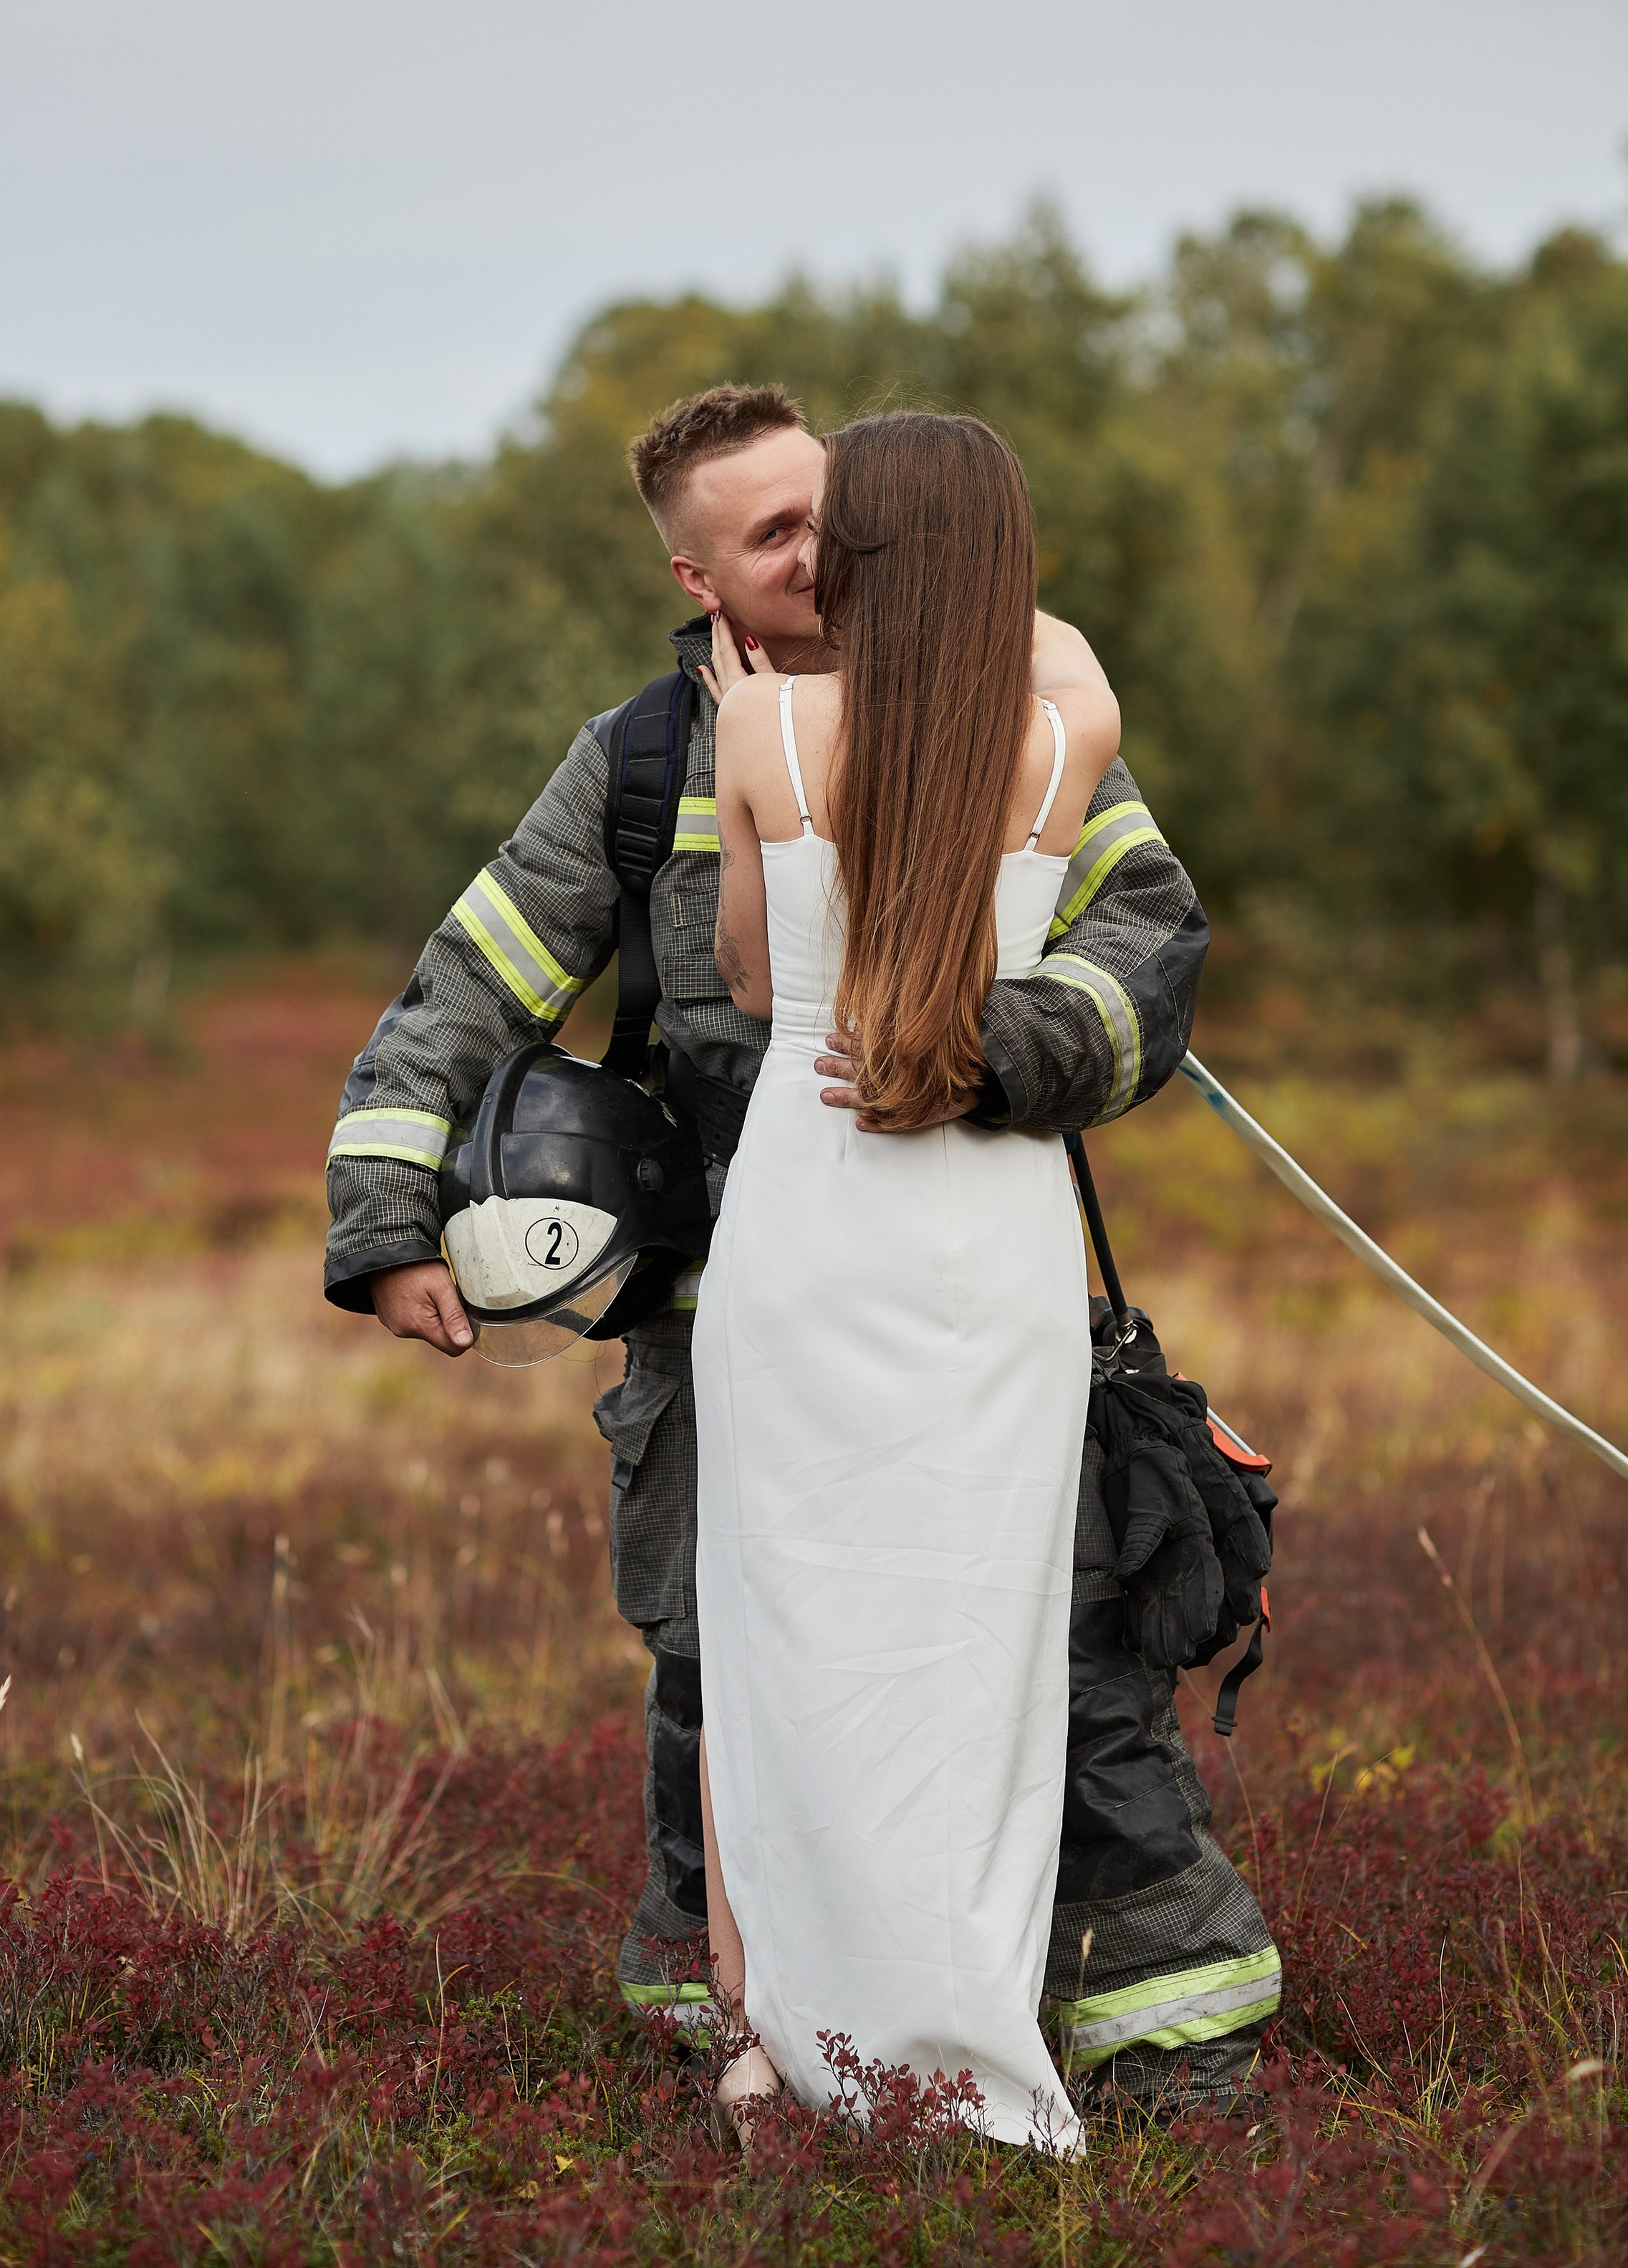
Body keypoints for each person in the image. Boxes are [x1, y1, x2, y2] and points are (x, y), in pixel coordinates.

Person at [322, 382, 1278, 2118]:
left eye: (833, 510)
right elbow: (467, 986)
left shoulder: (1021, 703)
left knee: (1062, 1644)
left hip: (964, 1281)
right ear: (699, 578)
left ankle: (1164, 2031)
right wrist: (384, 1219)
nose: (820, 549)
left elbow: (1149, 935)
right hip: (722, 1324)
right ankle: (748, 2041)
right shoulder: (631, 763)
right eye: (772, 533)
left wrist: (992, 1047)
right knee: (728, 1674)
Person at [694, 409, 1120, 2150]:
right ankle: (960, 2046)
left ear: (848, 553)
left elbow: (738, 976)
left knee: (788, 1635)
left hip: (806, 1212)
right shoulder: (1063, 733)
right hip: (986, 1238)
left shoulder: (760, 721)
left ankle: (785, 2046)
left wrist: (774, 680)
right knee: (974, 1652)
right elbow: (1057, 651)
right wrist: (970, 599)